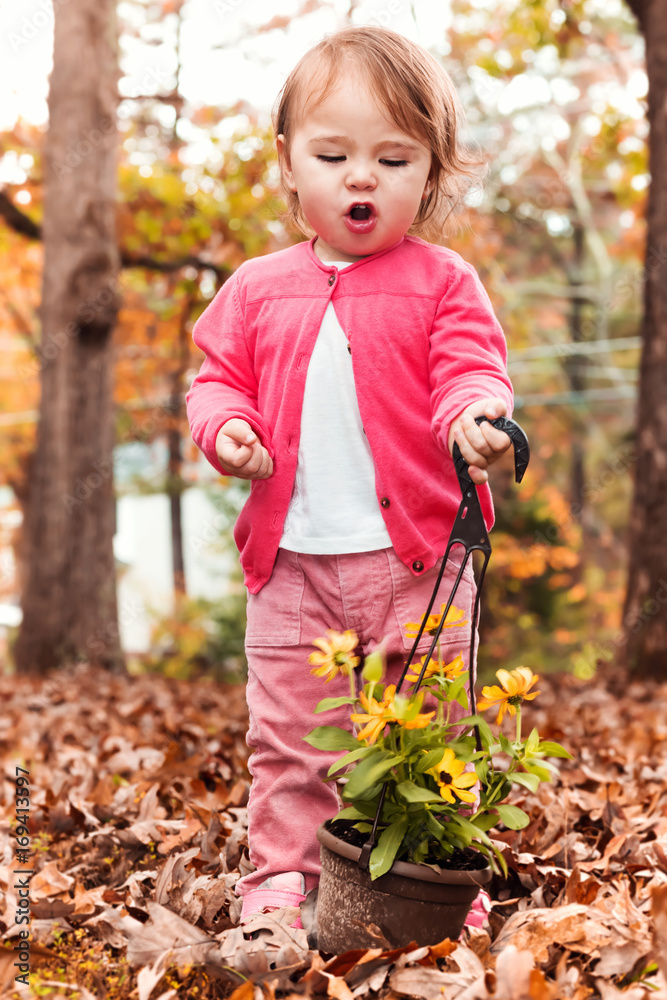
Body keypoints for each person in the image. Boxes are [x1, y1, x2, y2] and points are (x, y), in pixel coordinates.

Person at [185, 24, 513, 930]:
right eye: (333, 153)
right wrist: (228, 430)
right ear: (289, 164)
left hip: (417, 564)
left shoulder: (442, 281)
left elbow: (468, 368)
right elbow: (215, 381)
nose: (360, 175)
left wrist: (474, 419)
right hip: (288, 565)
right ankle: (284, 881)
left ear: (430, 173)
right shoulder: (255, 289)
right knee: (289, 737)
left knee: (428, 729)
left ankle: (437, 882)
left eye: (392, 158)